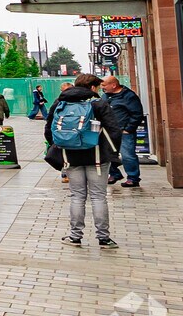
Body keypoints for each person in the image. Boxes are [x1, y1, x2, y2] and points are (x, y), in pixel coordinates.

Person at [46, 73, 121, 249]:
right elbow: (114, 130)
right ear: (93, 87)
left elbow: (49, 130)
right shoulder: (98, 104)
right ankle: (104, 238)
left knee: (77, 197)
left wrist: (60, 147)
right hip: (97, 158)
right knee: (98, 197)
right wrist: (112, 152)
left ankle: (75, 236)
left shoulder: (60, 103)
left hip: (70, 157)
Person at [99, 75, 146, 188]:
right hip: (108, 131)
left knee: (127, 155)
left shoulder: (128, 96)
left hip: (124, 132)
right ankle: (115, 174)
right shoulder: (105, 96)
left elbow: (137, 113)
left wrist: (129, 129)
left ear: (113, 85)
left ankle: (133, 178)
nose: (102, 88)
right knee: (107, 154)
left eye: (104, 85)